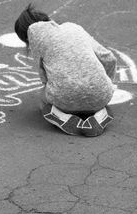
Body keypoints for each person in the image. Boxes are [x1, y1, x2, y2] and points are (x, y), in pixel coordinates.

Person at [14, 3, 117, 137]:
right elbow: (109, 58)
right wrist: (105, 83)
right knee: (96, 97)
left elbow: (44, 78)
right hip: (101, 95)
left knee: (43, 98)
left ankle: (63, 118)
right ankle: (100, 115)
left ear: (26, 37)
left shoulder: (37, 40)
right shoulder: (74, 28)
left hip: (65, 100)